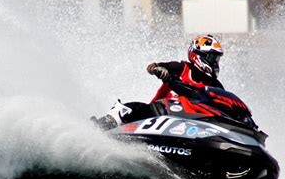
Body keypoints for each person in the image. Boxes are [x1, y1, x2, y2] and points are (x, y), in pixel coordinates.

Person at [91, 34, 224, 130]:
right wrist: (158, 70)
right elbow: (152, 67)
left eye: (217, 59)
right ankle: (101, 126)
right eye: (212, 58)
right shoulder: (180, 68)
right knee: (132, 108)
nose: (215, 63)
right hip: (159, 115)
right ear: (198, 55)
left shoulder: (215, 85)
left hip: (192, 125)